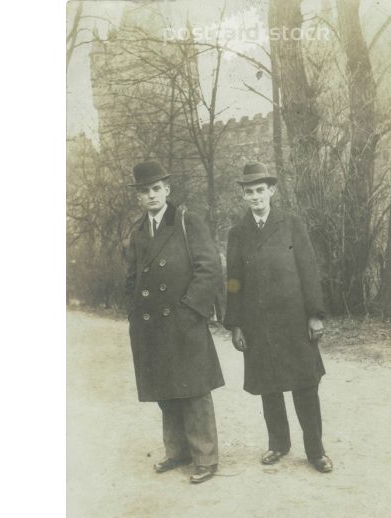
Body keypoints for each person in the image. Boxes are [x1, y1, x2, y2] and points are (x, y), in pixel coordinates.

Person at [224, 162, 333, 473]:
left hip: (294, 321)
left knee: (305, 385)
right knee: (269, 386)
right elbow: (233, 280)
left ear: (271, 191)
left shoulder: (291, 224)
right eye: (249, 191)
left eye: (260, 190)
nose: (256, 196)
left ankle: (316, 451)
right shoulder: (237, 233)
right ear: (243, 195)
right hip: (257, 324)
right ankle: (278, 444)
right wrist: (236, 323)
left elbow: (309, 270)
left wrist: (315, 314)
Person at [125, 160, 224, 484]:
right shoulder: (138, 232)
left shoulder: (187, 221)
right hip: (152, 325)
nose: (151, 195)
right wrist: (133, 313)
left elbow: (208, 267)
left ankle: (206, 458)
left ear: (167, 190)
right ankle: (177, 451)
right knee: (166, 390)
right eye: (145, 191)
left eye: (156, 189)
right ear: (138, 197)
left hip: (183, 319)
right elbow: (132, 277)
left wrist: (191, 310)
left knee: (194, 389)